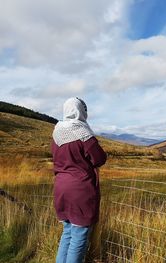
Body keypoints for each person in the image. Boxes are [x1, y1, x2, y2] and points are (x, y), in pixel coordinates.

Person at [51, 97, 107, 263]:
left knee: (67, 232)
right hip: (80, 189)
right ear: (81, 111)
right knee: (79, 236)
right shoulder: (83, 133)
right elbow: (99, 159)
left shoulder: (56, 133)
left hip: (61, 188)